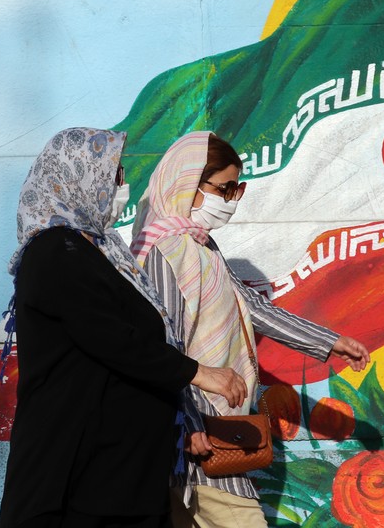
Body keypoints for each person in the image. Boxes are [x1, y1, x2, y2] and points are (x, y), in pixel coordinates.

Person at [0, 127, 248, 528]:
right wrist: (200, 374)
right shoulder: (54, 252)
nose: (122, 184)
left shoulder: (102, 251)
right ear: (76, 175)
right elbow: (109, 337)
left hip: (126, 476)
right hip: (79, 476)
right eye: (113, 173)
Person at [130, 131, 370, 528]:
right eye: (224, 188)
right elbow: (164, 348)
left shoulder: (200, 247)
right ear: (187, 183)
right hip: (198, 432)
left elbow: (251, 304)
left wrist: (328, 343)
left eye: (236, 189)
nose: (231, 200)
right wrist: (187, 423)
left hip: (216, 425)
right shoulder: (163, 252)